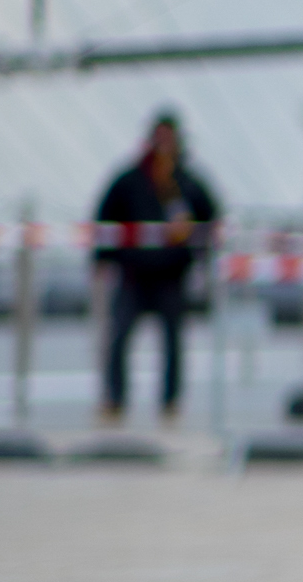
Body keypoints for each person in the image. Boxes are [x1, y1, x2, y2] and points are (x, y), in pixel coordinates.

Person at [93, 112, 218, 424]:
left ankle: (170, 402)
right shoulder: (130, 180)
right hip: (134, 273)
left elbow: (210, 220)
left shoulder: (187, 182)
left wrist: (198, 252)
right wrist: (103, 258)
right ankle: (114, 399)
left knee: (173, 342)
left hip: (170, 275)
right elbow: (106, 218)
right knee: (119, 336)